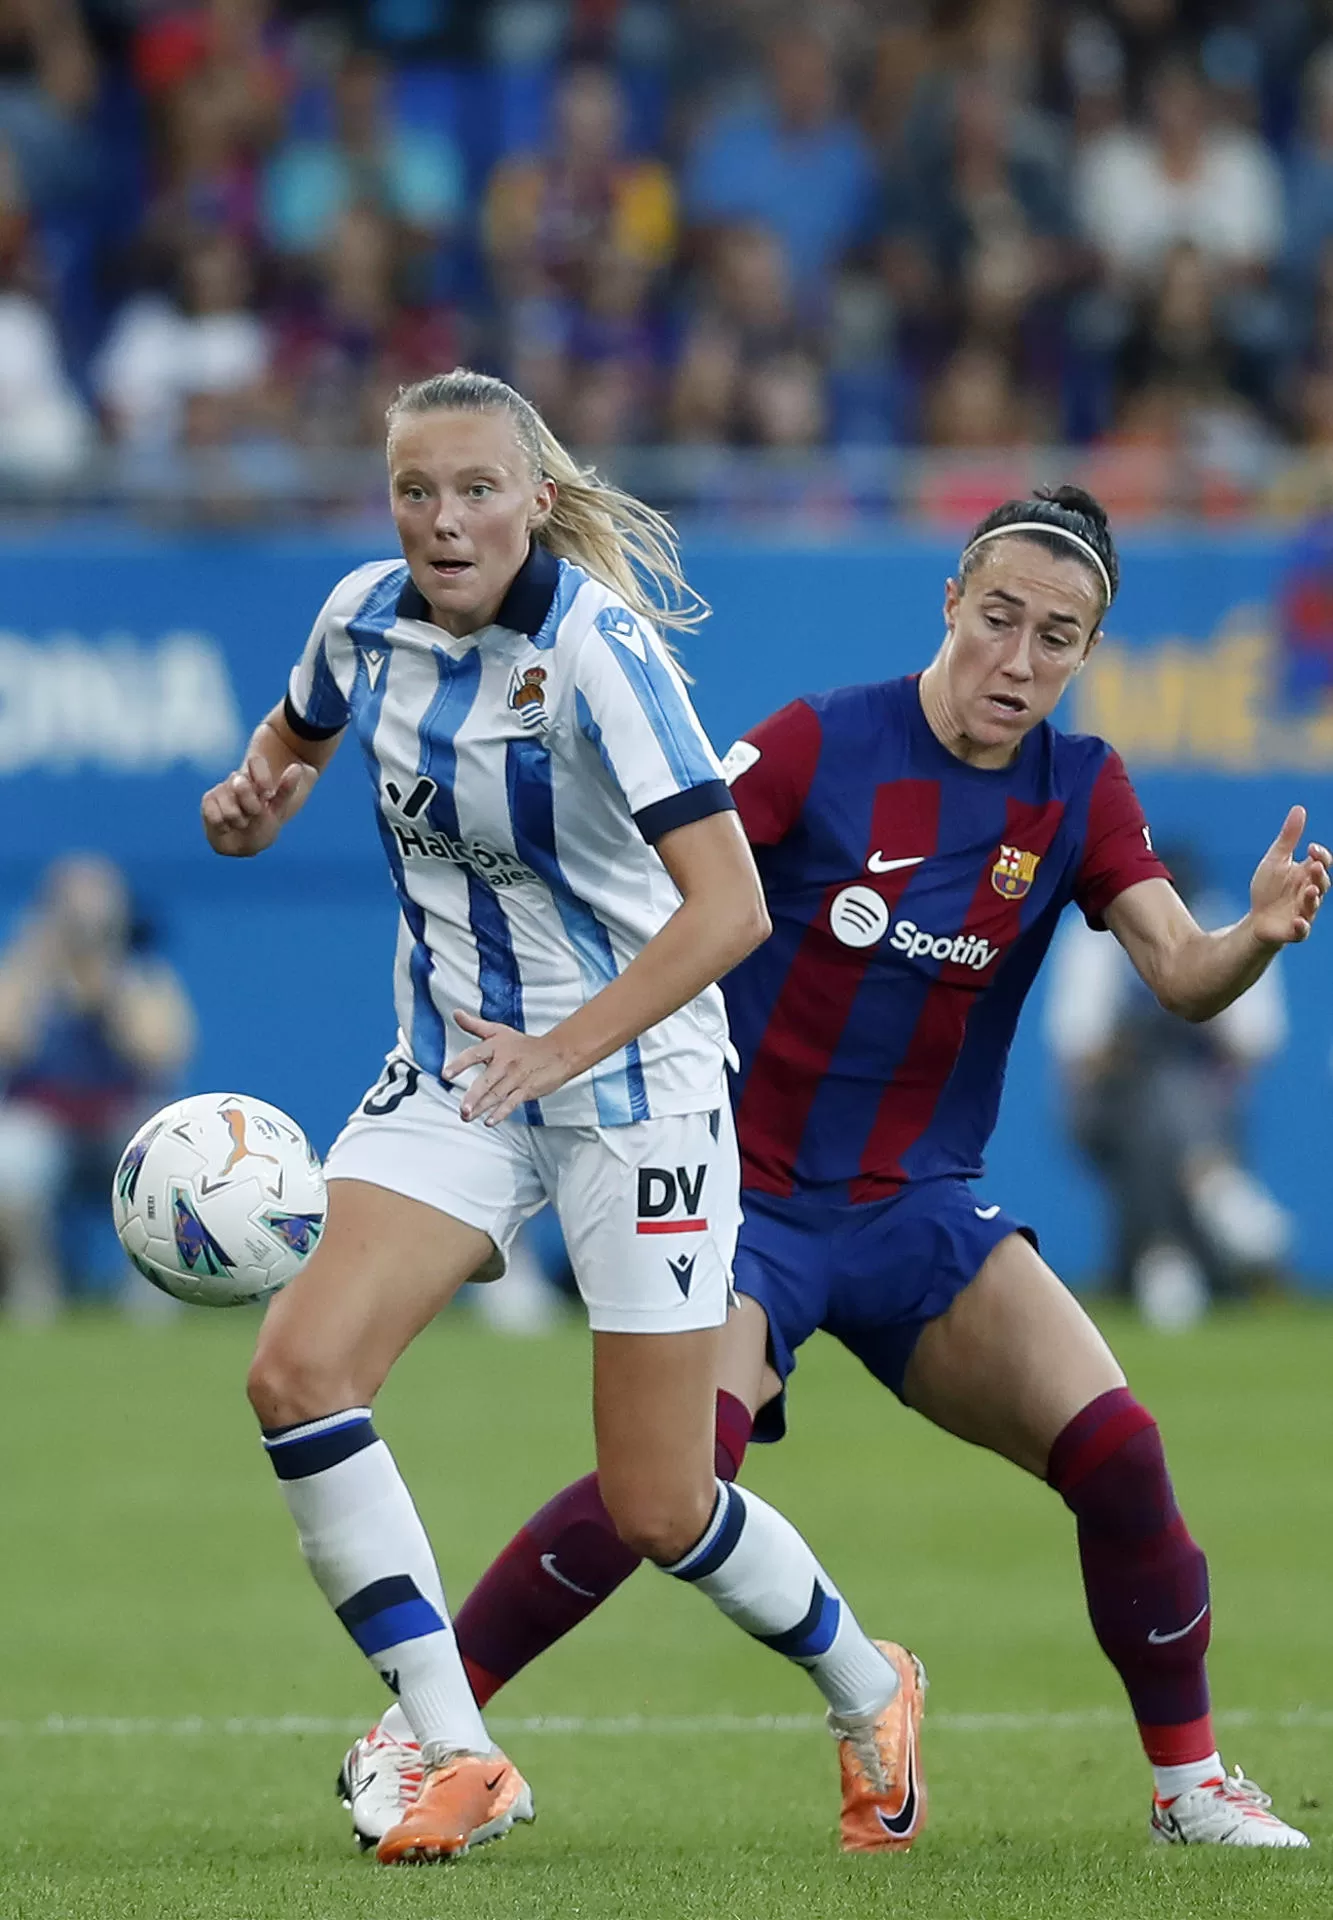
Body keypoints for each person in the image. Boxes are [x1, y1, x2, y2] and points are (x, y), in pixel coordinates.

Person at [336, 484, 1326, 1852]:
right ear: (949, 606)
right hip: (743, 1200)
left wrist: (1256, 935)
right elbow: (658, 890)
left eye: (1056, 637)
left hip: (920, 1212)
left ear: (1085, 652)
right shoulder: (817, 743)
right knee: (663, 1489)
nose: (1018, 661)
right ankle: (425, 1725)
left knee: (1121, 1452)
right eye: (998, 621)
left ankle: (1190, 1788)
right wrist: (565, 1045)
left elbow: (1180, 972)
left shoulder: (1081, 789)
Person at [201, 368, 927, 1867]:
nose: (444, 521)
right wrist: (257, 796)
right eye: (416, 492)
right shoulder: (359, 619)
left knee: (663, 1503)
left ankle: (871, 1685)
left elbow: (726, 910)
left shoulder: (603, 655)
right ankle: (458, 1755)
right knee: (297, 1372)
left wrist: (566, 1045)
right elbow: (294, 739)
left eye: (476, 490)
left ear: (536, 497)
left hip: (637, 1087)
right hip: (459, 1069)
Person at [1046, 842, 1292, 1329]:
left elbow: (1252, 1046)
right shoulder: (1092, 937)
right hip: (1107, 1108)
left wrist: (1199, 1008)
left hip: (1206, 1106)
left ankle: (1161, 1257)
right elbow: (1080, 1056)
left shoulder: (1226, 926)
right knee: (1156, 1088)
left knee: (1172, 1089)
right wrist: (1138, 1041)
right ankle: (1214, 1190)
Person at [0, 854, 194, 1317]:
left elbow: (164, 1053)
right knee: (10, 1159)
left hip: (118, 1124)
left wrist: (108, 989)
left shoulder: (142, 975)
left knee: (173, 1151)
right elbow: (8, 1041)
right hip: (43, 1122)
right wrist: (36, 971)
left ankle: (153, 1299)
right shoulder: (23, 974)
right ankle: (32, 1294)